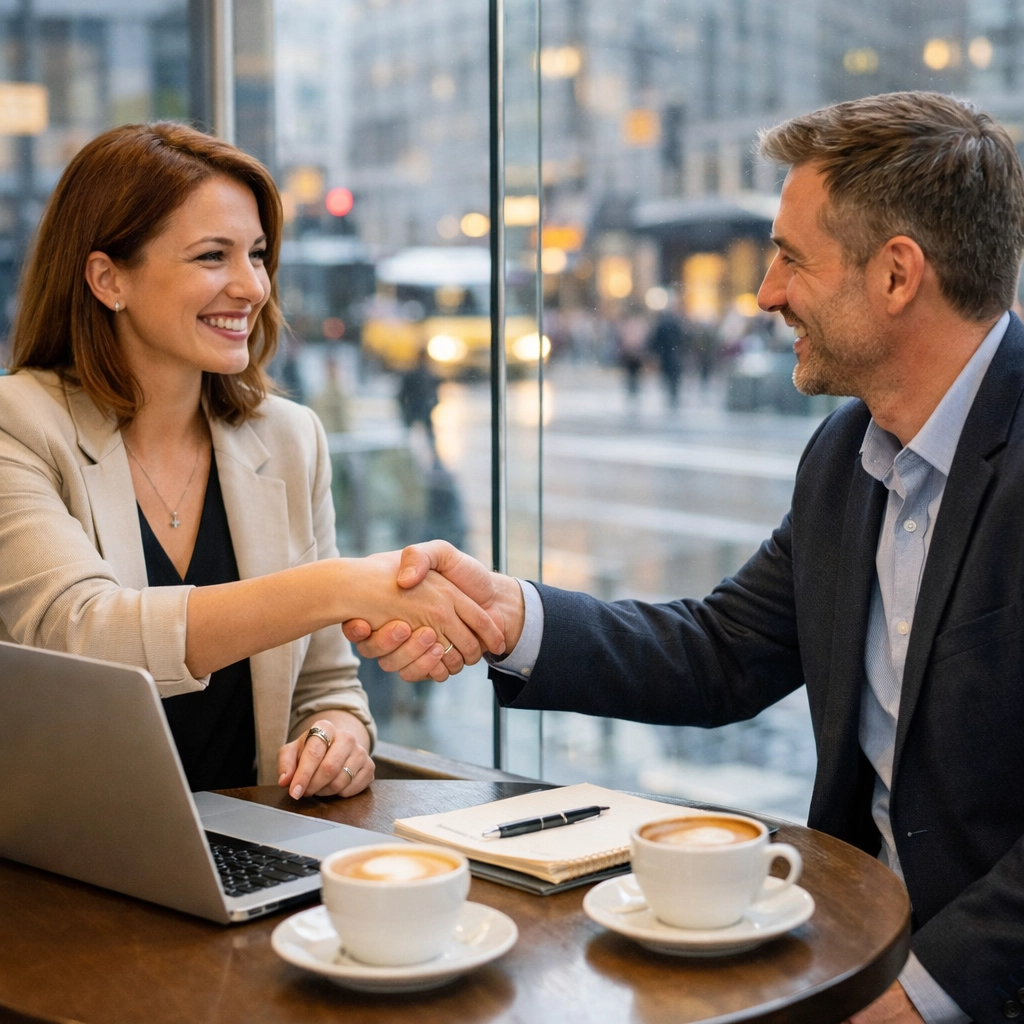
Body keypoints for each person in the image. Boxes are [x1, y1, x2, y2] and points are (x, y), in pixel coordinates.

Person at [345, 92, 1024, 1024]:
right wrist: (516, 617)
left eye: (791, 257)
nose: (766, 292)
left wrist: (921, 997)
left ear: (898, 275)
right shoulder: (844, 456)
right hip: (853, 944)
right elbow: (722, 652)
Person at [0, 123, 505, 803]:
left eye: (259, 255)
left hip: (254, 848)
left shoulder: (290, 438)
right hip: (74, 867)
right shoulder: (20, 424)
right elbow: (81, 633)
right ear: (107, 277)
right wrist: (337, 587)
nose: (251, 286)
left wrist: (336, 739)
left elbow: (327, 689)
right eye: (213, 256)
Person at [397, 346, 441, 457]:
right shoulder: (421, 374)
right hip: (415, 409)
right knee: (409, 437)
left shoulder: (427, 374)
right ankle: (407, 458)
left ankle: (434, 461)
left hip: (421, 409)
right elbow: (402, 394)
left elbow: (434, 394)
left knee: (426, 437)